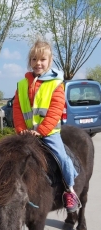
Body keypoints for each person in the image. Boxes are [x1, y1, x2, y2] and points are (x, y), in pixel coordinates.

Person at [13, 39, 81, 212]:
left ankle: (70, 190)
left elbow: (55, 110)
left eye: (42, 59)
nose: (38, 63)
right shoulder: (22, 84)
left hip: (49, 133)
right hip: (26, 133)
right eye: (34, 59)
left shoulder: (56, 84)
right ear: (30, 61)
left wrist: (42, 131)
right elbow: (17, 108)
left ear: (49, 61)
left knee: (61, 157)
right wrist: (21, 129)